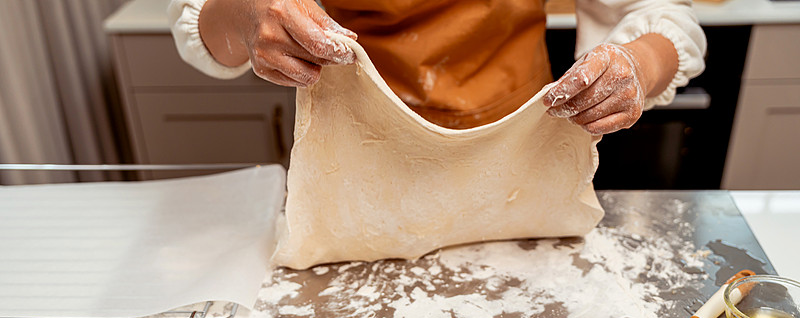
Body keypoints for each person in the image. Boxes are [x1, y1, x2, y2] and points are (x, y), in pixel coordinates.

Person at [168, 0, 705, 133]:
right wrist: (246, 14)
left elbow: (664, 17)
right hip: (359, 154)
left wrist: (637, 64)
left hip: (517, 149)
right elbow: (206, 26)